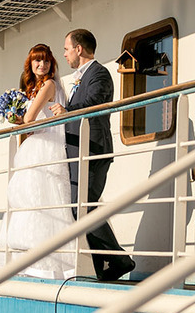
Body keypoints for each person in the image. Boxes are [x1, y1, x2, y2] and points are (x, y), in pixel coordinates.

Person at [49, 29, 136, 281]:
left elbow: (95, 102)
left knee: (83, 207)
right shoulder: (81, 77)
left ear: (79, 49)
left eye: (67, 49)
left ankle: (118, 261)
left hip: (94, 149)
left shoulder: (99, 73)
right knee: (82, 208)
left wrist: (66, 111)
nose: (65, 54)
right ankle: (107, 265)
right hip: (79, 151)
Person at [0, 44, 76, 279]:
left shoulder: (49, 85)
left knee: (43, 200)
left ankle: (46, 264)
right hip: (37, 144)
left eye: (46, 61)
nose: (42, 65)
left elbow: (30, 118)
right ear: (30, 64)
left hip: (44, 146)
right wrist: (18, 118)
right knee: (31, 200)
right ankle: (31, 262)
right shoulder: (36, 88)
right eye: (38, 61)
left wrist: (18, 118)